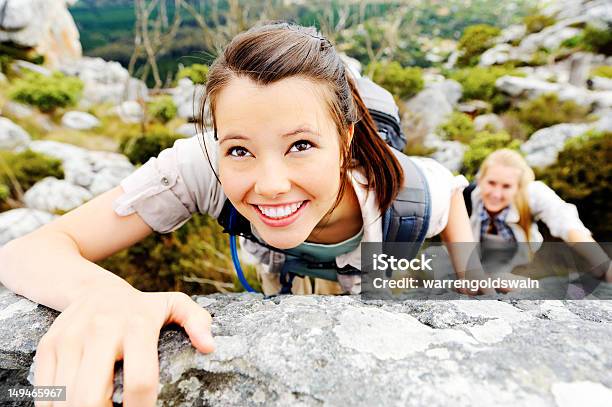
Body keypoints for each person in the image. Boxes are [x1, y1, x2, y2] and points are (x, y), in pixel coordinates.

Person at [0, 22, 497, 406]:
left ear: (345, 141)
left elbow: (451, 192)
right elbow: (26, 251)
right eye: (239, 150)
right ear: (216, 140)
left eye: (301, 144)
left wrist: (471, 277)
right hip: (281, 268)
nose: (270, 182)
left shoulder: (404, 193)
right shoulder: (201, 164)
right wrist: (108, 296)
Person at [465, 148, 611, 283]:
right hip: (473, 268)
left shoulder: (533, 193)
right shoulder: (466, 195)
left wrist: (603, 264)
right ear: (479, 179)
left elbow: (565, 221)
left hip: (519, 268)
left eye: (506, 186)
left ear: (519, 187)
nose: (496, 194)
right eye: (491, 183)